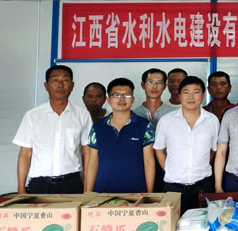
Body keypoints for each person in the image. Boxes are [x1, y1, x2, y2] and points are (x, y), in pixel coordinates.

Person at [13, 65, 91, 194]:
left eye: (65, 80)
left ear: (72, 85)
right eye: (55, 80)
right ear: (46, 85)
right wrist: (21, 188)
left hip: (72, 183)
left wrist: (87, 188)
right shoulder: (32, 116)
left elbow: (88, 153)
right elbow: (25, 154)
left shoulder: (82, 115)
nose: (60, 85)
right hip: (39, 184)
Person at [155, 76, 219, 213]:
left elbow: (214, 150)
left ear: (203, 95)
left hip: (203, 186)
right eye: (186, 92)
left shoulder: (212, 120)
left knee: (202, 224)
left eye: (196, 92)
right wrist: (169, 170)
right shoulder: (166, 121)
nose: (191, 97)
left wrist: (201, 166)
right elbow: (159, 150)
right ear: (179, 96)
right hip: (173, 187)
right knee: (173, 224)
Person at [85, 78, 155, 193]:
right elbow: (92, 163)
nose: (122, 99)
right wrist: (88, 193)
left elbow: (149, 161)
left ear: (133, 99)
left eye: (127, 95)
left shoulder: (145, 125)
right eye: (116, 95)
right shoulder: (97, 126)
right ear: (108, 99)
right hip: (102, 193)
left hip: (136, 192)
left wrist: (150, 193)